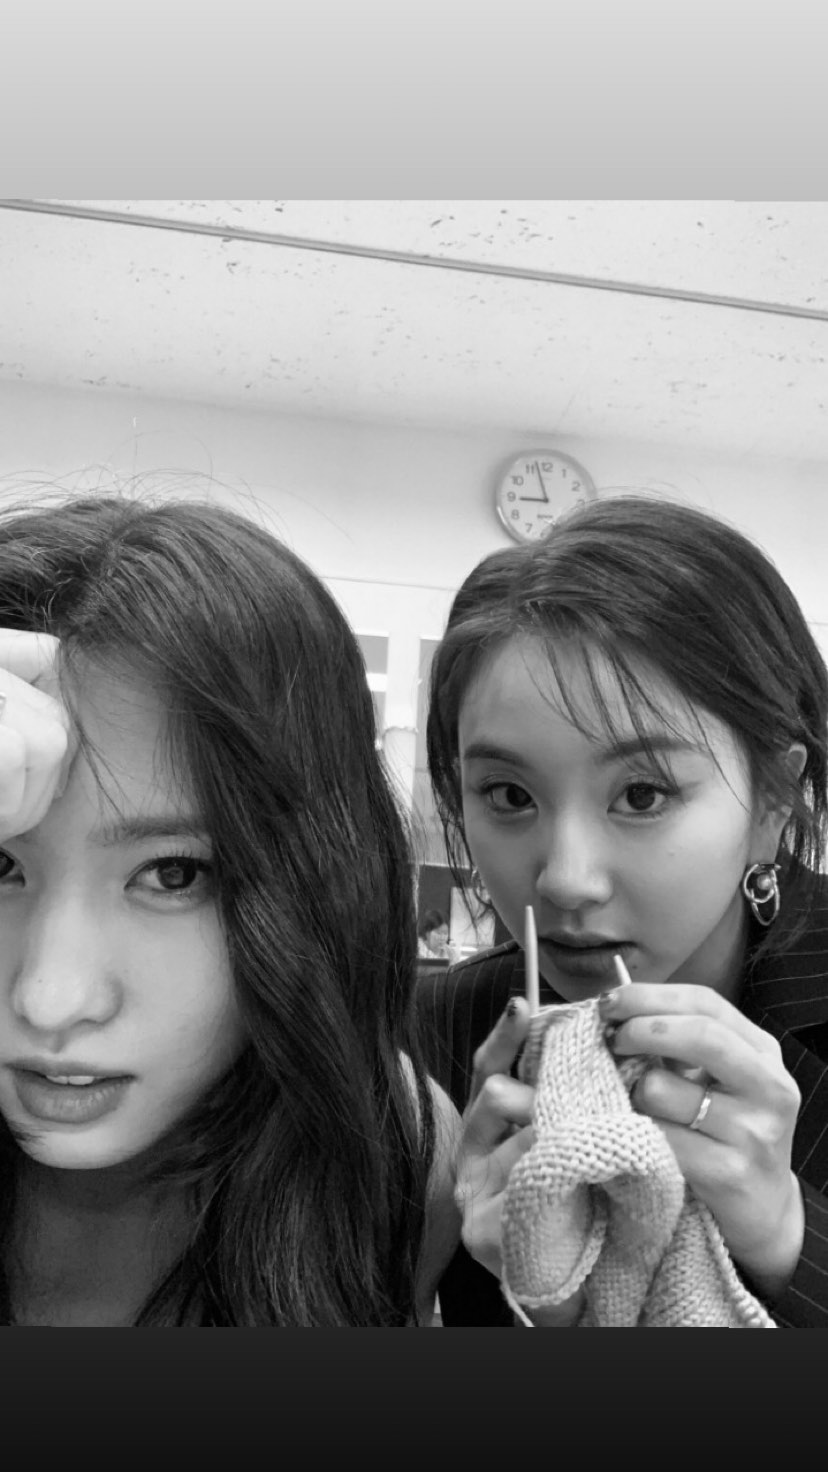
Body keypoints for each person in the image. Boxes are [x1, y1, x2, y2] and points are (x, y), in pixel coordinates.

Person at [0, 491, 459, 1327]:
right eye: (1, 863)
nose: (51, 1000)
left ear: (310, 887)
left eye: (173, 875)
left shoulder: (387, 1154)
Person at [421, 493, 828, 1327]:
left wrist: (791, 1235)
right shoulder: (428, 1043)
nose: (566, 881)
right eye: (508, 794)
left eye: (642, 794)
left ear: (771, 803)